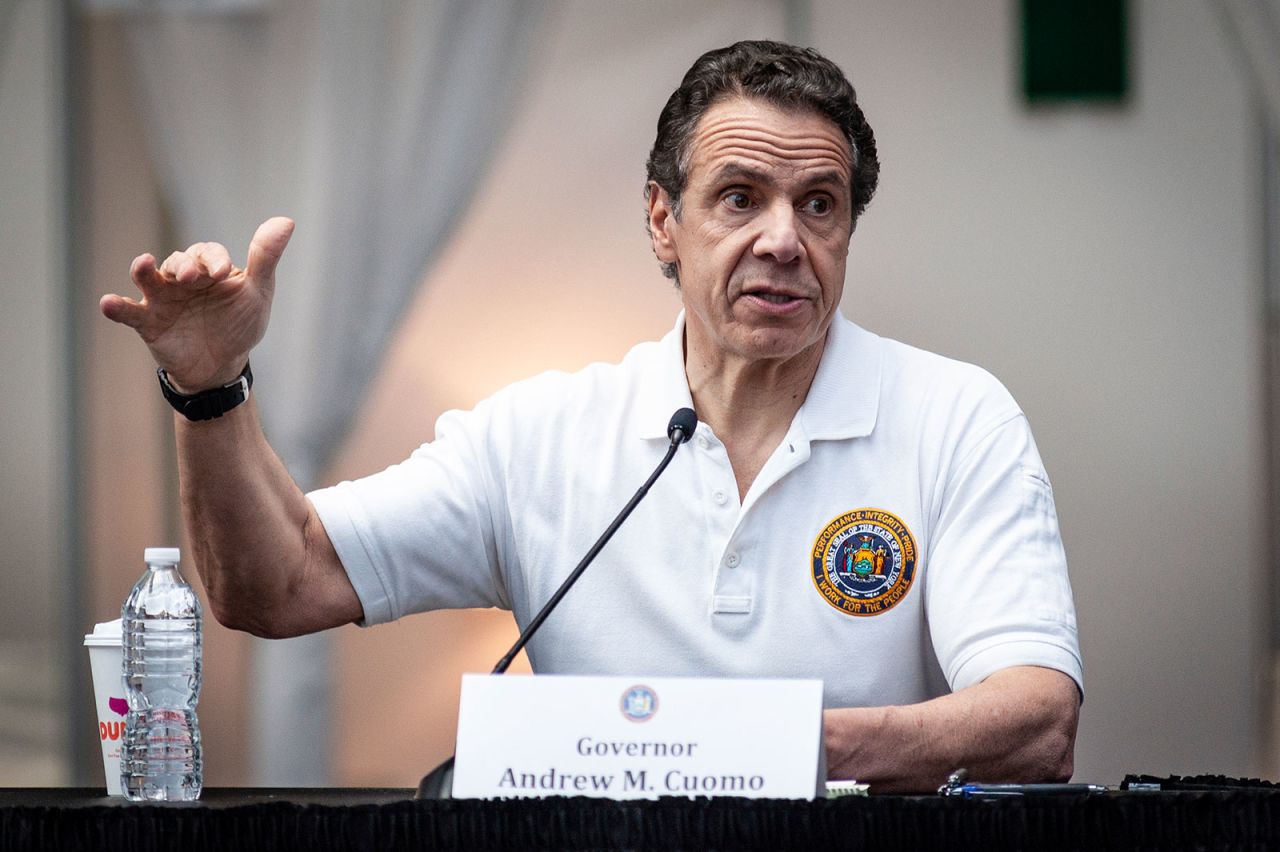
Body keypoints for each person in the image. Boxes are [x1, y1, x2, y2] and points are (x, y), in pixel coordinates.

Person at [100, 40, 1081, 792]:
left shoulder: (955, 417)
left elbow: (1035, 721)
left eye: (817, 205)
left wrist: (772, 753)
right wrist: (211, 388)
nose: (784, 239)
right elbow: (275, 583)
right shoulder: (540, 437)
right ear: (662, 218)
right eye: (740, 198)